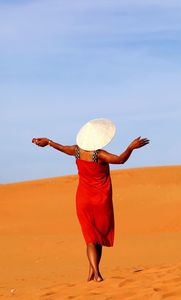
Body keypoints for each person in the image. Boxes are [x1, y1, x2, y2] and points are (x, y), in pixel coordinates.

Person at [32, 118, 149, 282]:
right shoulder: (100, 155)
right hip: (101, 200)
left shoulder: (76, 151)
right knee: (95, 237)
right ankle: (97, 273)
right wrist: (130, 148)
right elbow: (120, 160)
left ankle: (92, 273)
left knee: (92, 237)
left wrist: (48, 141)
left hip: (83, 199)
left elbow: (61, 147)